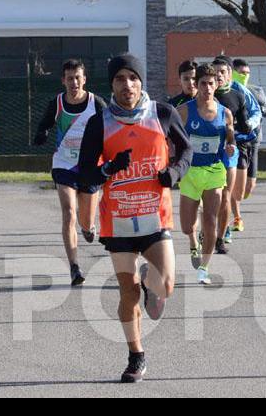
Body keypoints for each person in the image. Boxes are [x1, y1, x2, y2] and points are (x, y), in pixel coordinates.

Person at [77, 54, 192, 384]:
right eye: (119, 79)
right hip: (119, 220)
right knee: (127, 294)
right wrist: (108, 169)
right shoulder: (100, 122)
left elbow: (186, 151)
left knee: (166, 285)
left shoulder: (162, 113)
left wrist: (174, 173)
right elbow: (85, 173)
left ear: (141, 81)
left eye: (132, 78)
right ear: (111, 85)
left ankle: (150, 281)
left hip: (155, 216)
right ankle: (136, 357)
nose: (126, 85)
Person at [34, 59, 107, 286]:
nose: (74, 82)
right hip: (64, 164)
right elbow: (44, 124)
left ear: (84, 79)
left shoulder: (97, 103)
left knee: (85, 221)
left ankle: (89, 227)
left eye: (78, 78)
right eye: (69, 78)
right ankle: (74, 267)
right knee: (69, 213)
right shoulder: (57, 103)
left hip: (90, 166)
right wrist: (42, 134)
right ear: (63, 80)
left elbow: (111, 128)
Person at [177, 64, 236, 284]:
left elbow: (230, 139)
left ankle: (204, 267)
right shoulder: (184, 111)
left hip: (214, 171)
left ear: (217, 84)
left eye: (211, 83)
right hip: (191, 172)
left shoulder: (225, 113)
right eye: (203, 83)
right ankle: (193, 241)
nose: (207, 88)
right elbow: (172, 137)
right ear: (196, 84)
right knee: (186, 225)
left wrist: (230, 146)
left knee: (211, 220)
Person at [211, 56, 252, 253]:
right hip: (208, 151)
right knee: (210, 195)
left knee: (228, 193)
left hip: (230, 148)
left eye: (223, 72)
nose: (219, 75)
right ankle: (210, 229)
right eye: (216, 71)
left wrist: (245, 126)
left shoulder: (238, 96)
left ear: (229, 74)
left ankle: (223, 230)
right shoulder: (205, 95)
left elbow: (244, 123)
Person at [231, 58, 266, 228]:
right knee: (235, 183)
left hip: (254, 141)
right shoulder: (227, 91)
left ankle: (237, 198)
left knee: (249, 186)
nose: (244, 76)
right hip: (235, 141)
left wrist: (261, 108)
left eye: (247, 73)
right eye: (241, 73)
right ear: (233, 72)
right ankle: (237, 217)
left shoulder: (256, 90)